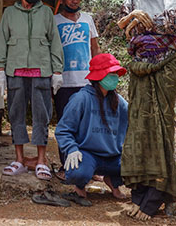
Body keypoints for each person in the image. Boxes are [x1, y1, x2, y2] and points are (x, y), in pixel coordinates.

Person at [117, 0, 176, 220]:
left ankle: (158, 195)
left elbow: (173, 22)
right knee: (138, 126)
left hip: (165, 62)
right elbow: (122, 25)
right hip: (138, 64)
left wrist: (136, 21)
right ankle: (140, 193)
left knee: (160, 125)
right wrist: (134, 16)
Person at [0, 0, 64, 180]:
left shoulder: (46, 13)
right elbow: (1, 41)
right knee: (16, 114)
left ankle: (41, 160)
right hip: (15, 71)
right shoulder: (9, 13)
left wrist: (57, 71)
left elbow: (54, 41)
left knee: (42, 115)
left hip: (41, 70)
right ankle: (19, 159)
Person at [55, 53, 129, 206]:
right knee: (78, 171)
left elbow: (132, 130)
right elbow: (63, 129)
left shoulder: (120, 102)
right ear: (99, 76)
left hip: (114, 156)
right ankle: (80, 185)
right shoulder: (81, 99)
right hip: (87, 154)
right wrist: (71, 149)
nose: (115, 77)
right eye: (111, 73)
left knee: (137, 166)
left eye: (116, 73)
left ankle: (113, 181)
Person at [53, 0, 100, 180]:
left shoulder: (88, 19)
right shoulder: (54, 22)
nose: (75, 0)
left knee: (88, 125)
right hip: (63, 82)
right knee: (66, 124)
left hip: (86, 81)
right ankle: (66, 166)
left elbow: (95, 49)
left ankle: (92, 166)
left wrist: (98, 76)